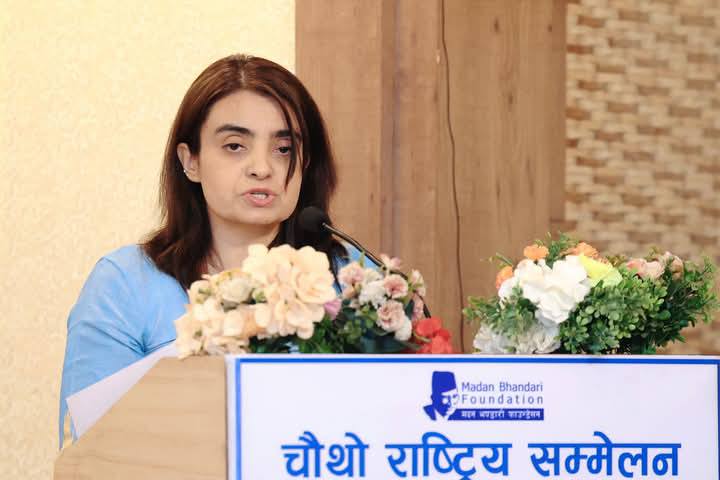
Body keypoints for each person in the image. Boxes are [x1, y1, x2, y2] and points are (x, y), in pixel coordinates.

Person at [58, 54, 362, 448]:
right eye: (235, 146)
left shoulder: (354, 277)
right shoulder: (124, 285)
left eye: (284, 149)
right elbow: (88, 451)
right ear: (191, 161)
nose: (262, 167)